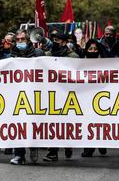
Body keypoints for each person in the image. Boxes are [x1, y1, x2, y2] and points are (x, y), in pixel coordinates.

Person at [9, 29, 44, 165]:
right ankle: (19, 155)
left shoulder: (38, 54)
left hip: (34, 94)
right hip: (16, 95)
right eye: (17, 40)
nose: (20, 42)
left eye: (22, 39)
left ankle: (33, 146)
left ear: (28, 40)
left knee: (32, 123)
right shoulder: (11, 56)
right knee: (18, 124)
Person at [43, 33, 78, 162]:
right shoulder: (47, 56)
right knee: (53, 124)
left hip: (68, 95)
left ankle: (68, 145)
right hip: (51, 95)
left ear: (64, 42)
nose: (54, 42)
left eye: (57, 40)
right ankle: (53, 152)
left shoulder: (73, 56)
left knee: (66, 124)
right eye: (53, 40)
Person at [80, 39, 107, 157]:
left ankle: (102, 143)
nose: (93, 51)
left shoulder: (104, 63)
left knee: (100, 122)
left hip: (101, 98)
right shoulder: (80, 64)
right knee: (87, 123)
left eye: (95, 49)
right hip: (86, 97)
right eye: (90, 49)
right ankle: (88, 148)